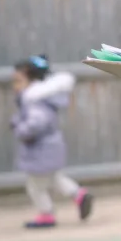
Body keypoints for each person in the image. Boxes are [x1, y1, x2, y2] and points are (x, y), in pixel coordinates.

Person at [11, 55, 94, 228]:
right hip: (50, 148)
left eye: (18, 81)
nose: (15, 87)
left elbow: (36, 123)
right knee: (54, 178)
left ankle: (46, 213)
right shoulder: (42, 100)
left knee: (35, 186)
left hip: (40, 150)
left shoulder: (34, 101)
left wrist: (20, 128)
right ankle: (79, 194)